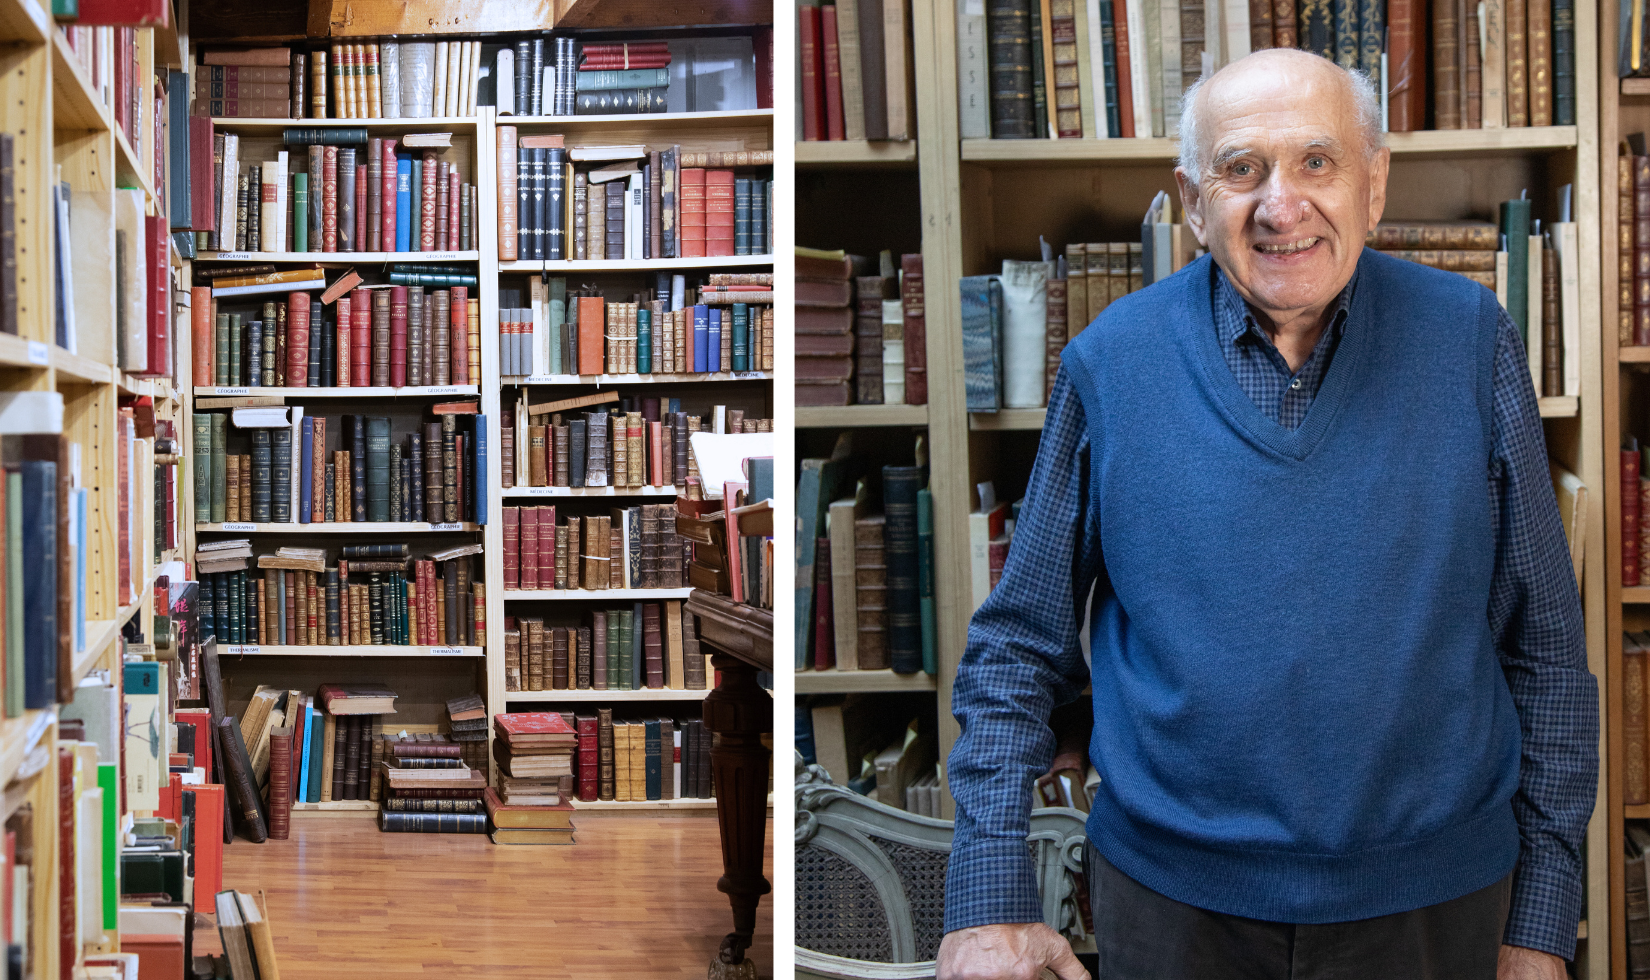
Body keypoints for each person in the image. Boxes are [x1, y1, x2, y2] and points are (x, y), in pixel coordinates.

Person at [936, 48, 1598, 980]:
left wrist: (1540, 923)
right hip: (1172, 910)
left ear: (1376, 184)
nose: (1282, 206)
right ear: (1193, 201)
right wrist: (990, 897)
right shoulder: (1109, 364)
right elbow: (1017, 646)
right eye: (1242, 169)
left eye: (1317, 162)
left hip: (1437, 911)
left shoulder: (1472, 339)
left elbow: (1548, 656)